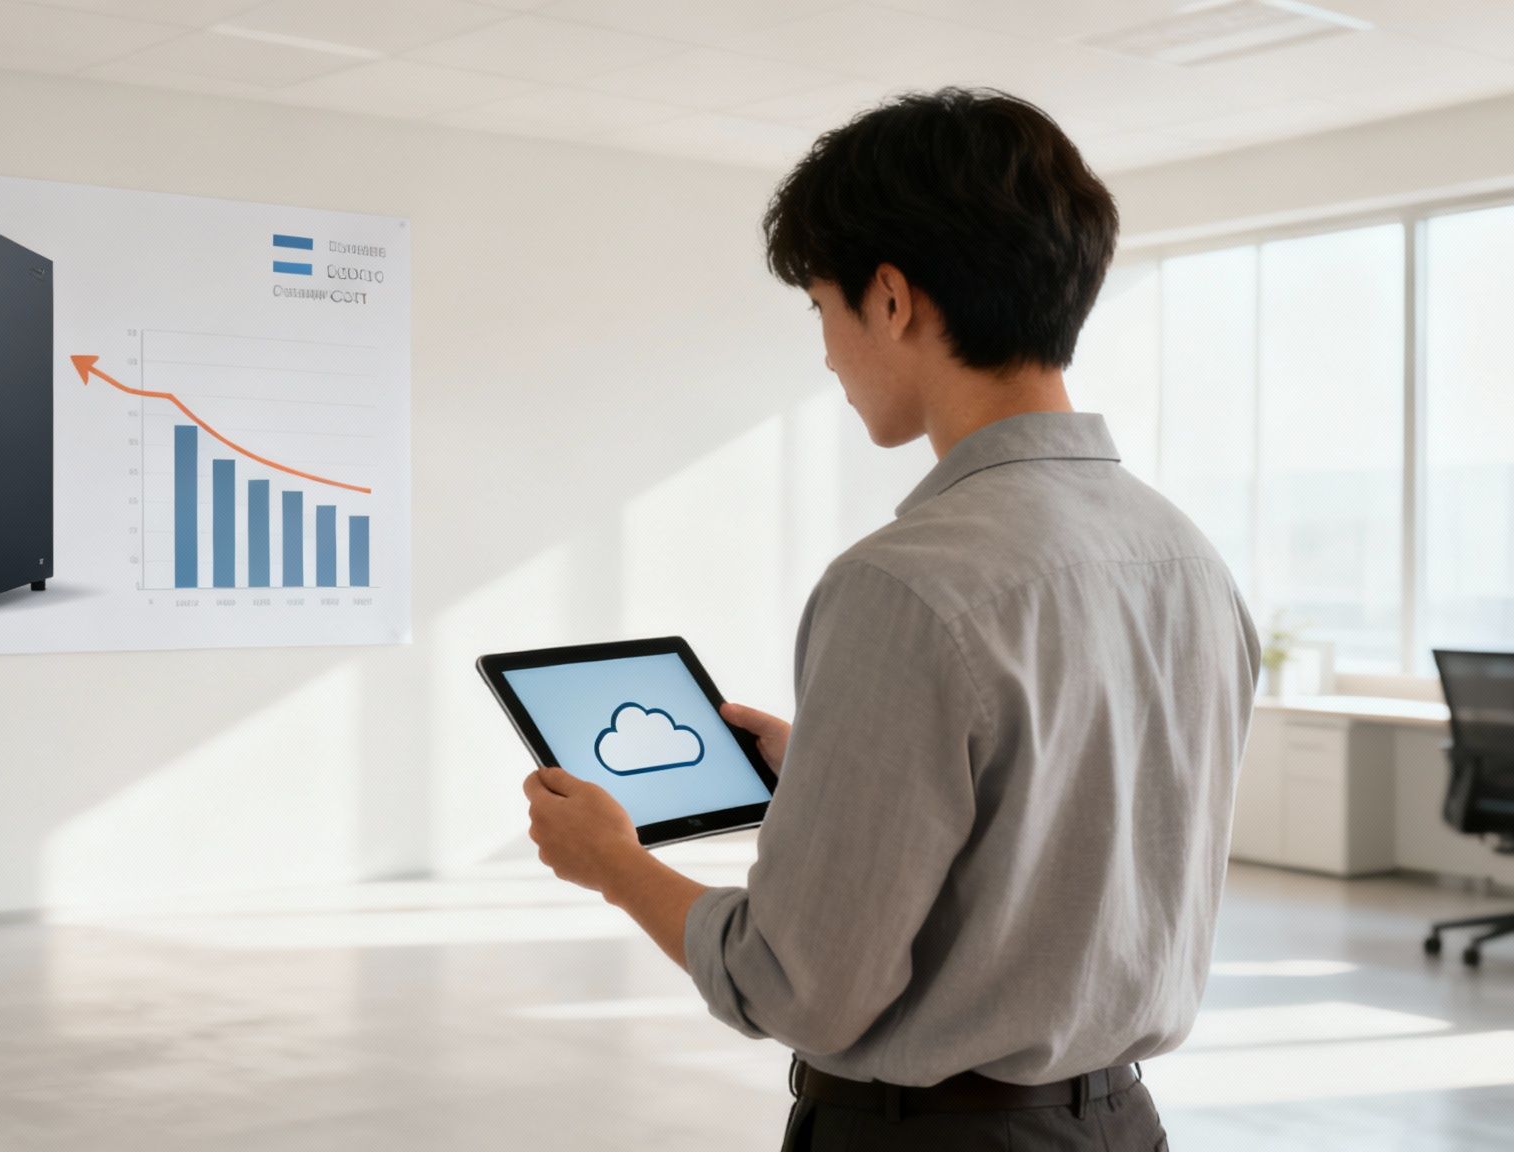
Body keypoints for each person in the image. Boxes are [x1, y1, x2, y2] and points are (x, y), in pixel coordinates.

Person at [522, 87, 1259, 1151]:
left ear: (890, 299)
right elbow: (1062, 842)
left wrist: (617, 867)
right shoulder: (1182, 553)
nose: (824, 352)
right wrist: (832, 779)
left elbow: (798, 988)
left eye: (819, 308)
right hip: (1120, 1124)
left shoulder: (904, 584)